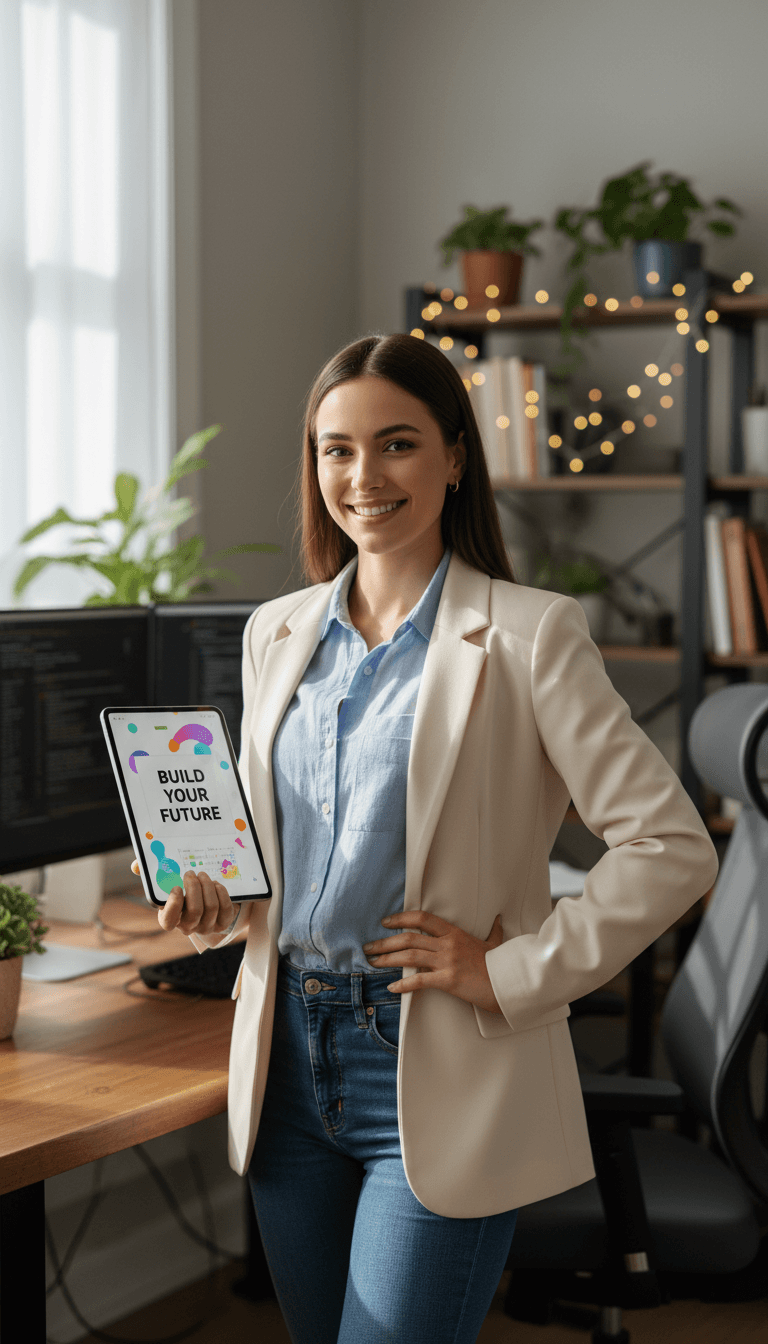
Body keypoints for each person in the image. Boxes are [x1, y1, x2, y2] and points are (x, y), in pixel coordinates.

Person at [137, 334, 719, 1344]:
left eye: (396, 444)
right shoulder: (274, 633)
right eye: (337, 449)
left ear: (454, 457)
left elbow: (672, 847)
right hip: (285, 1062)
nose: (363, 477)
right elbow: (289, 860)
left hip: (435, 1050)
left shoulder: (532, 635)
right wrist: (216, 906)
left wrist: (516, 971)